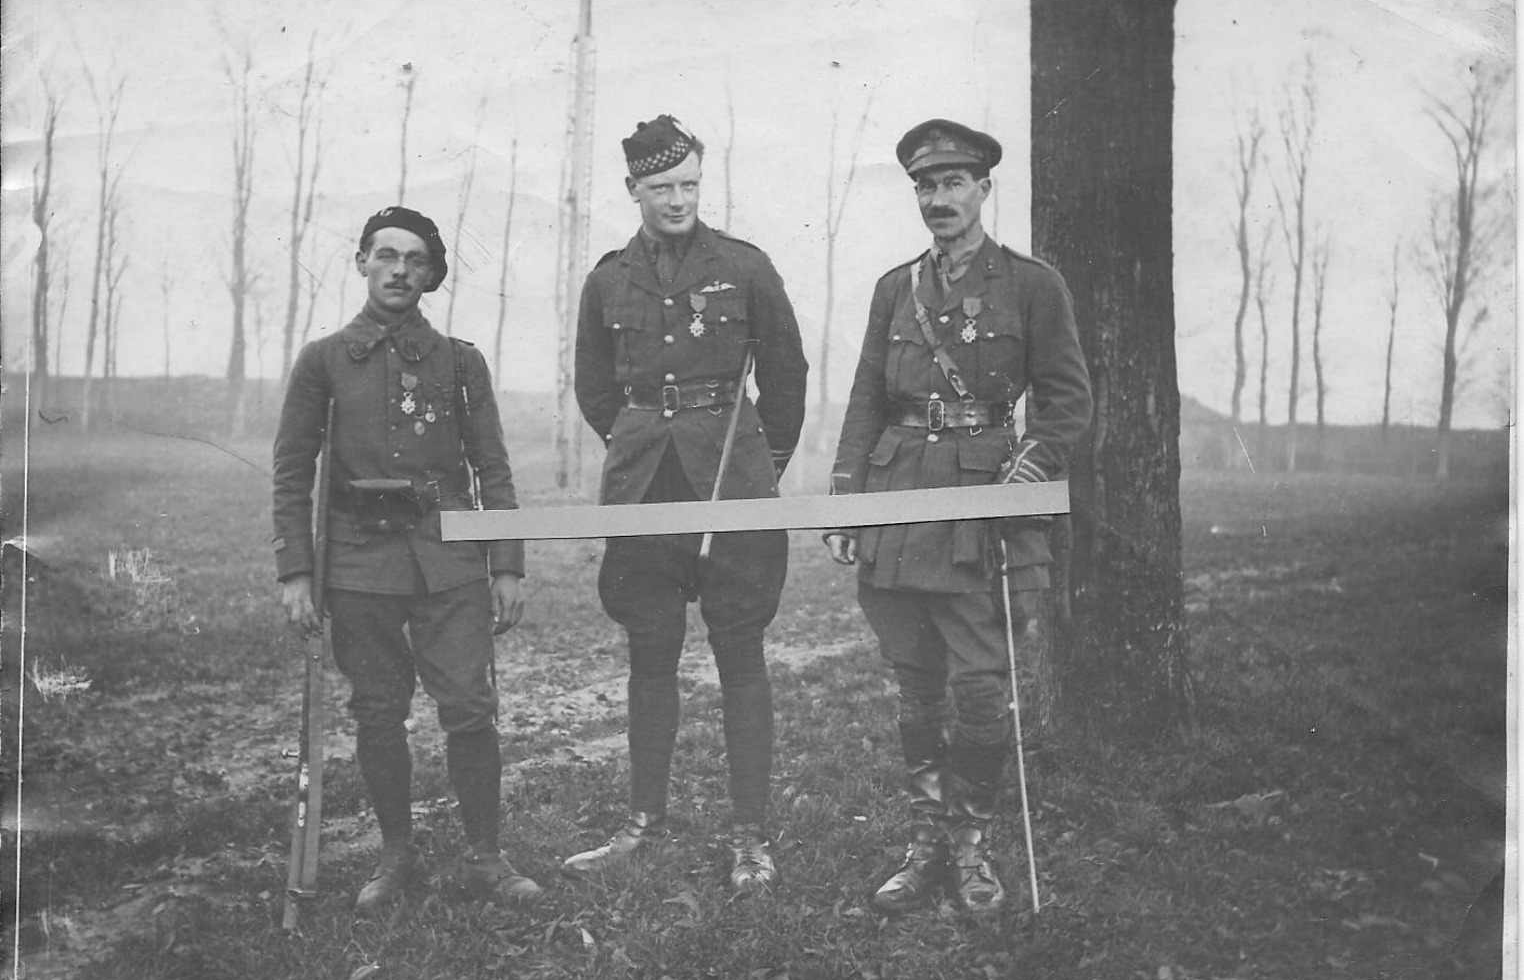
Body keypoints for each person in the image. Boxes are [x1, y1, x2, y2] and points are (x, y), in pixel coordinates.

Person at [825, 120, 1092, 915]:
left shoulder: (1031, 285)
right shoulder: (892, 288)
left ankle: (973, 848)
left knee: (980, 691)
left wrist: (1026, 476)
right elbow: (867, 398)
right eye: (925, 187)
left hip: (984, 505)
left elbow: (1067, 402)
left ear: (983, 189)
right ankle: (926, 843)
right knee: (917, 689)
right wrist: (847, 498)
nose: (938, 200)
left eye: (953, 184)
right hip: (901, 500)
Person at [272, 206, 543, 913]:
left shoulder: (460, 361)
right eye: (385, 255)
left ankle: (486, 855)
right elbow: (292, 472)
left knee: (469, 708)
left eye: (415, 259)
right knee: (378, 712)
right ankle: (397, 855)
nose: (398, 270)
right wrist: (297, 570)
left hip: (450, 563)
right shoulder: (324, 361)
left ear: (432, 274)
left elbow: (493, 467)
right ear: (361, 262)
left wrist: (506, 563)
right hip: (358, 568)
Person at [569, 115, 808, 890]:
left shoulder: (743, 266)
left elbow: (788, 378)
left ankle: (750, 836)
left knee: (740, 651)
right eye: (662, 187)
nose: (677, 200)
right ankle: (643, 820)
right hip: (645, 486)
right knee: (650, 651)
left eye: (689, 185)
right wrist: (639, 443)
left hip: (732, 483)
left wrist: (756, 466)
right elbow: (596, 388)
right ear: (632, 188)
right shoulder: (608, 278)